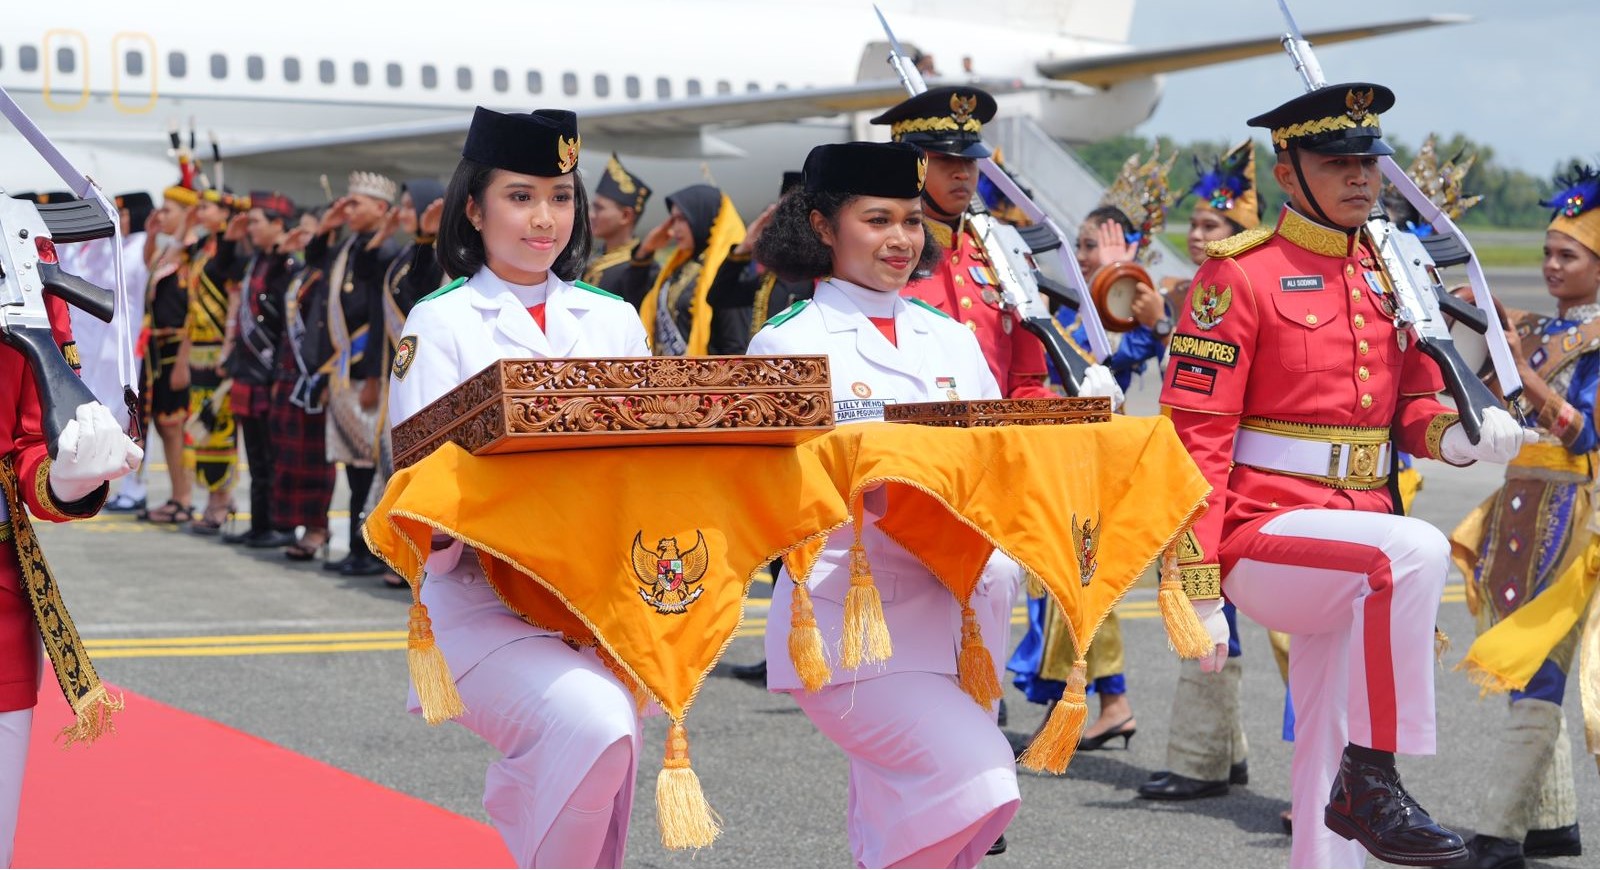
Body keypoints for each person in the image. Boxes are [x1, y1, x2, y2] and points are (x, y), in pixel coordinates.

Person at [1159, 82, 1531, 868]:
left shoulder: (1389, 273)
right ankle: (1377, 777)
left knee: (1325, 734)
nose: (1360, 177)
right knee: (1412, 551)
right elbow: (1194, 438)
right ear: (1289, 172)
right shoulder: (1239, 276)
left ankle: (1345, 804)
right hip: (1260, 534)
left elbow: (1411, 408)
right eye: (1337, 163)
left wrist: (1459, 441)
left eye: (1369, 161)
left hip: (1353, 531)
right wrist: (1195, 582)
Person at [387, 106, 650, 868]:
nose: (546, 218)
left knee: (604, 768)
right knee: (595, 727)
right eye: (521, 196)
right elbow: (424, 485)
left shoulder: (613, 320)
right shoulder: (439, 324)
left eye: (562, 197)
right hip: (482, 604)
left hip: (598, 605)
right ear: (473, 206)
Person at [749, 141, 1018, 868]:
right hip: (847, 624)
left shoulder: (953, 340)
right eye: (877, 220)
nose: (901, 240)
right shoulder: (786, 345)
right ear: (823, 227)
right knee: (981, 781)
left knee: (942, 835)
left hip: (964, 621)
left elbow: (1000, 465)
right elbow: (770, 501)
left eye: (909, 219)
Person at [1448, 161, 1600, 867]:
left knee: (1538, 667)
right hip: (1519, 508)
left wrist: (1528, 375)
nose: (1549, 264)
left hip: (1576, 519)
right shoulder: (1537, 328)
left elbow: (1585, 434)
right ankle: (1554, 823)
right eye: (1546, 252)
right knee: (1528, 666)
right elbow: (1489, 396)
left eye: (1567, 254)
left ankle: (1499, 832)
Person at [1140, 140, 1263, 802]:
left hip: (1240, 476)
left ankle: (1208, 756)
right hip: (1187, 465)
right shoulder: (1186, 291)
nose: (1197, 234)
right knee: (1219, 612)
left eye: (1214, 225)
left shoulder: (1238, 288)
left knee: (1229, 606)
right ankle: (1216, 752)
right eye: (1195, 223)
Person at [307, 171, 400, 576]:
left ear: (381, 209)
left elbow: (381, 318)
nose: (347, 209)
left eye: (356, 203)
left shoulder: (385, 251)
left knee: (368, 466)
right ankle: (356, 548)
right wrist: (325, 229)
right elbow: (315, 265)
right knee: (351, 463)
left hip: (367, 371)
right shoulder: (346, 246)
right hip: (343, 371)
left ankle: (369, 549)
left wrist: (378, 378)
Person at [57, 191, 151, 513]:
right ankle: (104, 484)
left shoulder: (140, 246)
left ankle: (135, 486)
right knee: (102, 412)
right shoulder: (113, 246)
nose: (120, 219)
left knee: (127, 414)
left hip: (125, 339)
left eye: (124, 213)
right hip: (98, 341)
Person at [221, 192, 299, 550]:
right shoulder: (255, 262)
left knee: (275, 455)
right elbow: (224, 271)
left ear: (278, 225)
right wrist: (232, 238)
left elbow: (287, 327)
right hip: (248, 371)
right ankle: (260, 522)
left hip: (272, 373)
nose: (250, 228)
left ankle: (279, 525)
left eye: (256, 222)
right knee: (256, 455)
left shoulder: (288, 266)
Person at [181, 189, 248, 534]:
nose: (198, 212)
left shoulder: (233, 251)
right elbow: (169, 258)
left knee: (218, 426)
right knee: (204, 427)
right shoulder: (201, 248)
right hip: (199, 350)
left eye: (205, 207)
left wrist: (227, 351)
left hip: (218, 350)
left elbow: (236, 304)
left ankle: (220, 500)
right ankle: (215, 497)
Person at [271, 216, 337, 562]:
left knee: (315, 458)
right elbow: (270, 298)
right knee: (288, 457)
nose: (305, 239)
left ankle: (317, 527)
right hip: (289, 373)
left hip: (315, 374)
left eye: (313, 232)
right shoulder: (298, 274)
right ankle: (295, 523)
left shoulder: (329, 274)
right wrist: (280, 252)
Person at [141, 182, 199, 525]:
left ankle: (185, 498)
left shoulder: (192, 252)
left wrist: (183, 362)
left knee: (176, 425)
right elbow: (147, 268)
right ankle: (178, 495)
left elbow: (195, 312)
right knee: (165, 426)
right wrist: (150, 236)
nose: (161, 216)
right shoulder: (169, 250)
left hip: (178, 346)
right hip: (157, 348)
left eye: (168, 211)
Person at [636, 183, 747, 355]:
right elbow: (634, 297)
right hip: (664, 377)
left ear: (703, 217)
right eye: (673, 220)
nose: (675, 228)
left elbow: (736, 344)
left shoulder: (724, 271)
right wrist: (645, 251)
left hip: (705, 378)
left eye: (683, 219)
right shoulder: (676, 267)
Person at [582, 153, 658, 306]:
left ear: (625, 215)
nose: (591, 215)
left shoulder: (642, 271)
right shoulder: (594, 257)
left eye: (599, 208)